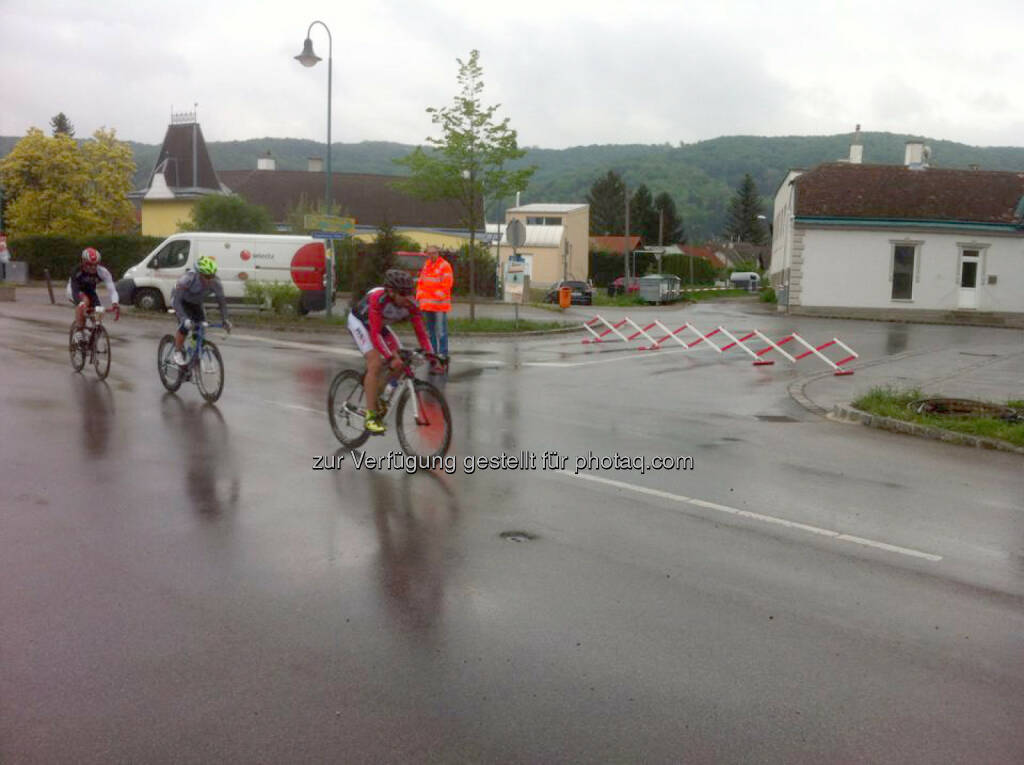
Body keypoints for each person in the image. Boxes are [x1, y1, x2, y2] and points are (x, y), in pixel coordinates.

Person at [348, 269, 441, 435]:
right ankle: (370, 417)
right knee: (375, 364)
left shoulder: (411, 305)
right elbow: (375, 334)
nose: (407, 298)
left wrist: (432, 355)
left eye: (409, 293)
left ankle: (381, 396)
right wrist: (390, 357)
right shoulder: (378, 299)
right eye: (403, 294)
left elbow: (421, 333)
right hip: (360, 323)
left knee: (403, 360)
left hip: (380, 326)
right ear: (391, 292)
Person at [171, 255, 231, 366]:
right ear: (199, 274)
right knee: (185, 325)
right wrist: (184, 319)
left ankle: (194, 352)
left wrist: (225, 319)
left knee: (201, 326)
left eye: (212, 275)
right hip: (181, 301)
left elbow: (222, 303)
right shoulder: (187, 279)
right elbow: (177, 302)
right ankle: (177, 351)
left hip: (196, 303)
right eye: (207, 276)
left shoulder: (216, 283)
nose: (210, 279)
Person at [67, 247, 120, 338]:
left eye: (95, 265)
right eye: (89, 264)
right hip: (74, 290)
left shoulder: (102, 272)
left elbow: (112, 290)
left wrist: (115, 303)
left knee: (98, 312)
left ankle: (92, 341)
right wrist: (81, 304)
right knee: (85, 301)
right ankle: (79, 331)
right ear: (83, 262)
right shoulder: (76, 271)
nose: (93, 267)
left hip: (90, 291)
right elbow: (74, 290)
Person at [415, 245, 453, 370]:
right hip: (427, 305)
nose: (431, 255)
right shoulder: (427, 265)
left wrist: (435, 297)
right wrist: (420, 296)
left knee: (441, 332)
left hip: (439, 306)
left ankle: (442, 356)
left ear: (438, 253)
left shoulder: (444, 266)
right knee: (431, 333)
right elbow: (421, 282)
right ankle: (433, 356)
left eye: (433, 253)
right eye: (429, 253)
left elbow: (447, 284)